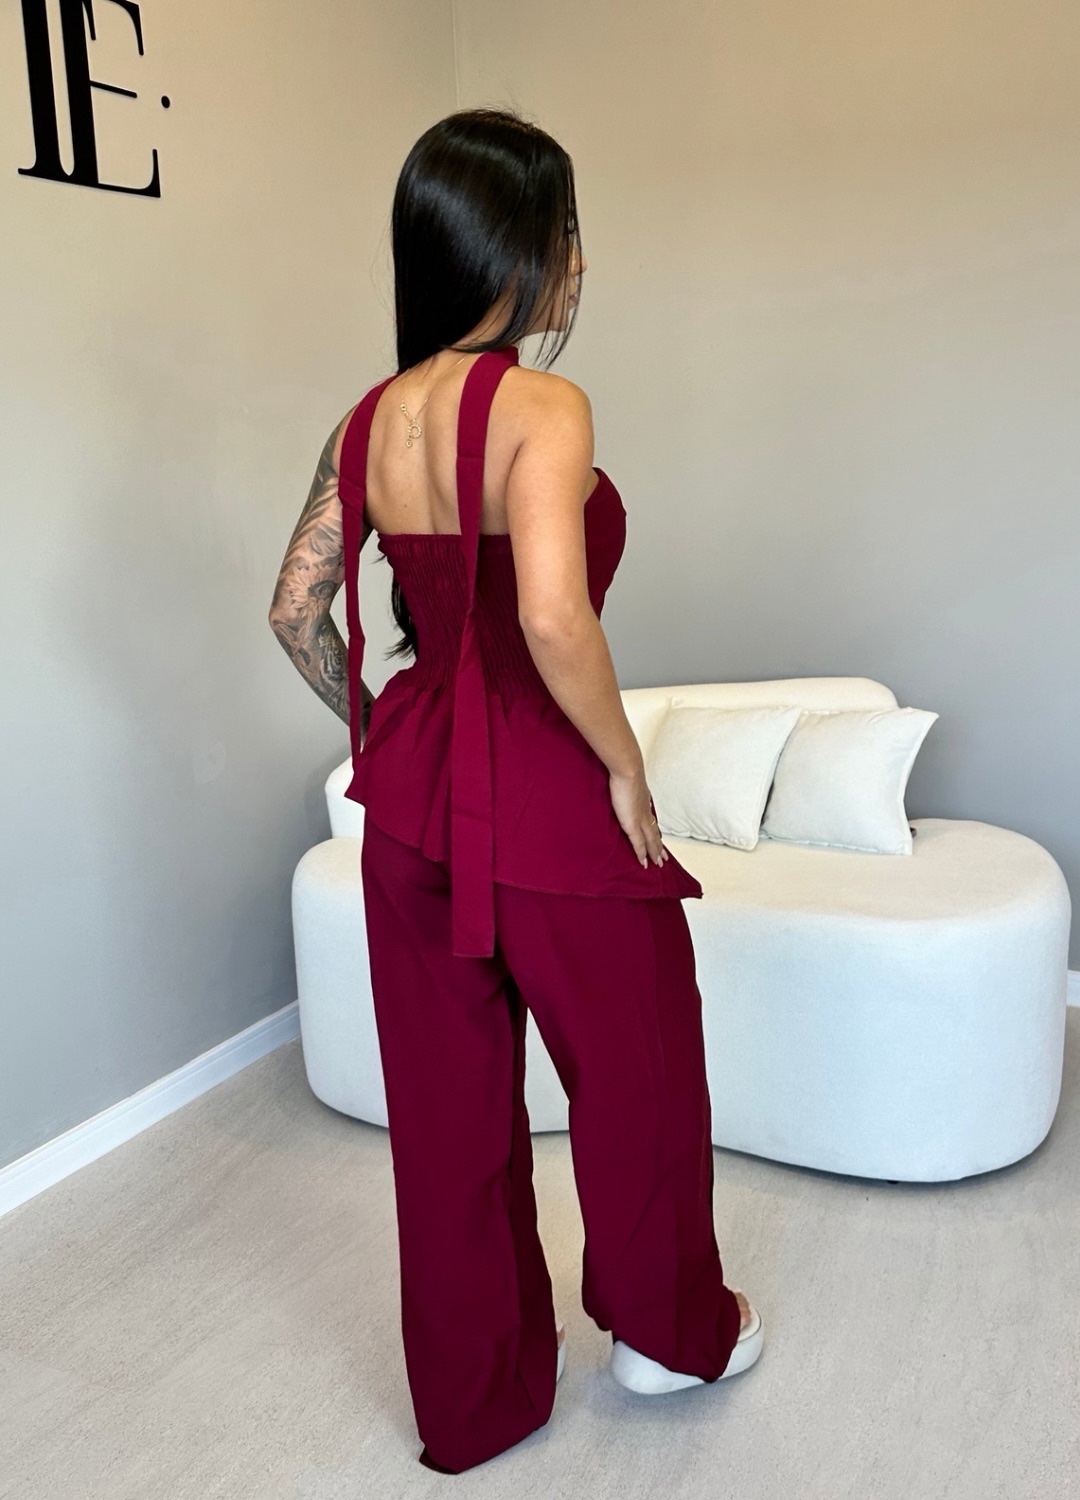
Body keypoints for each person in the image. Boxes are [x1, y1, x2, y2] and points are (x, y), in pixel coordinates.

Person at [269, 106, 763, 1476]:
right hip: (546, 792)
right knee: (639, 1072)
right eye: (569, 233)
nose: (581, 263)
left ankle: (479, 1403)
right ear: (516, 245)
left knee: (447, 1116)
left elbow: (295, 611)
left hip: (412, 805)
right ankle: (666, 1336)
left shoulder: (365, 423)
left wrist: (391, 730)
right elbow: (552, 618)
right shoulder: (546, 408)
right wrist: (627, 766)